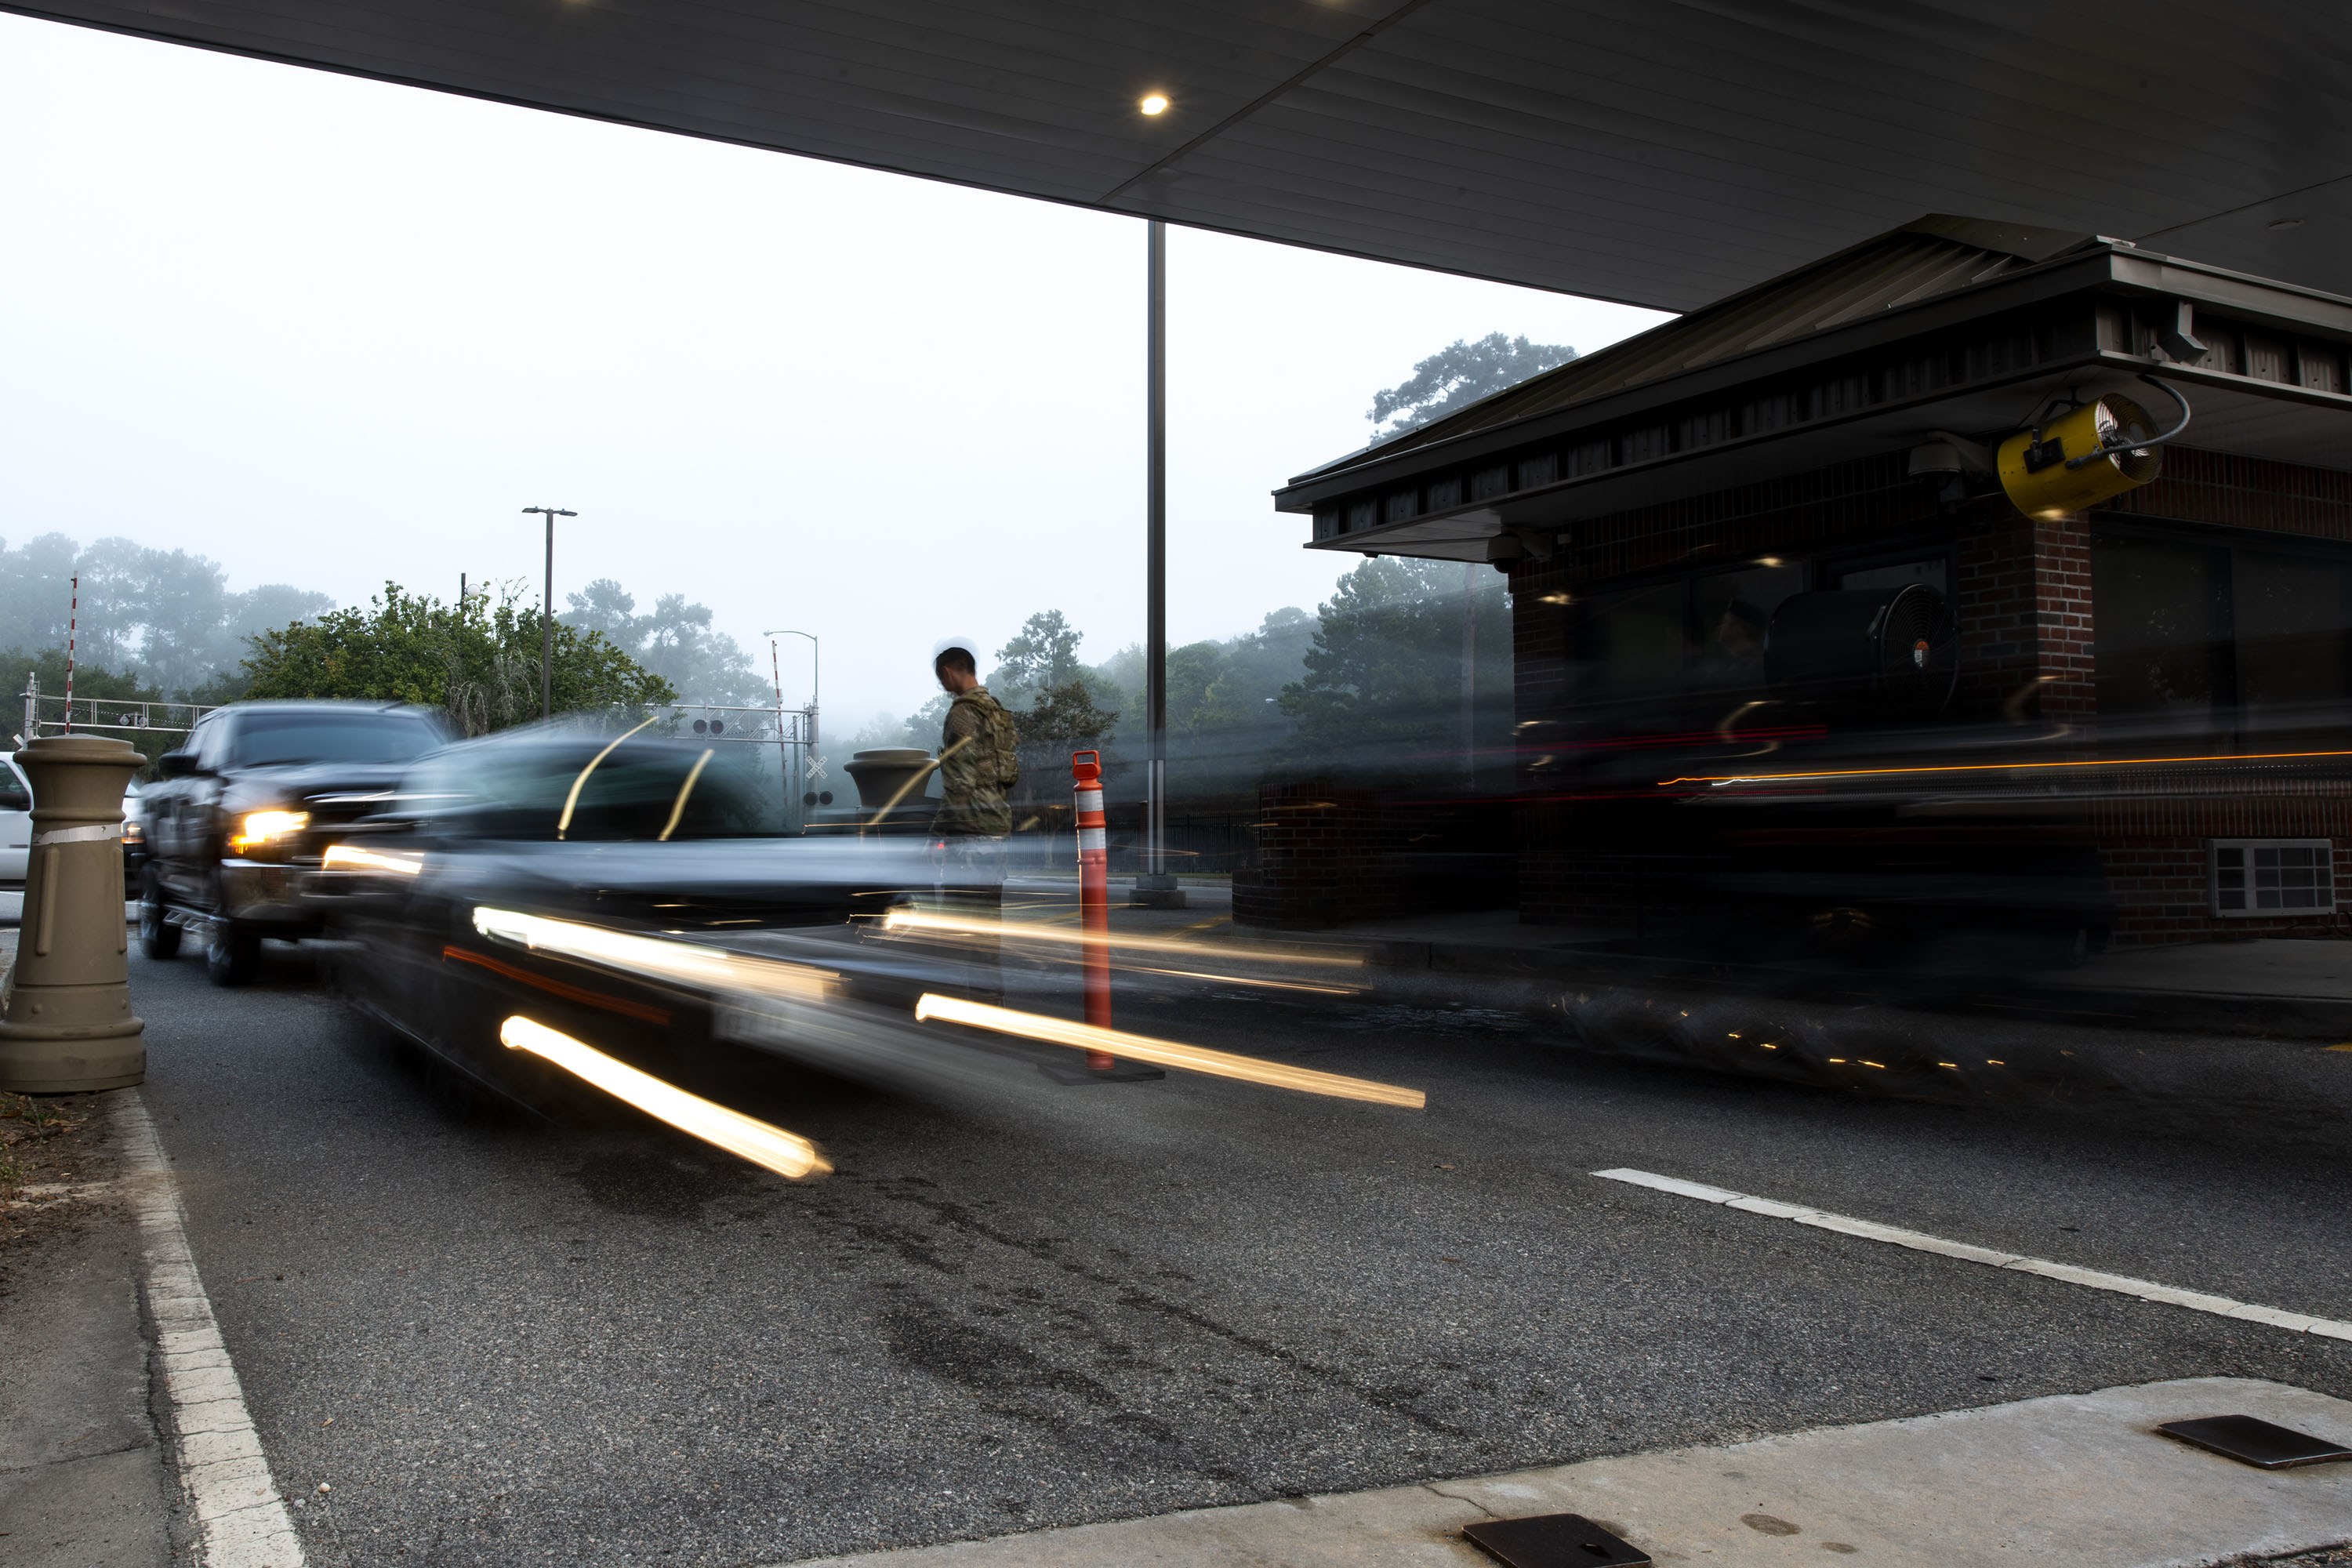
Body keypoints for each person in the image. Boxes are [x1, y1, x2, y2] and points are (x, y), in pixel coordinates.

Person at [930, 641, 1019, 999]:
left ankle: (965, 1006)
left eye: (941, 678)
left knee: (959, 925)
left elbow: (960, 784)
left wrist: (934, 835)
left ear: (949, 671)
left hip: (969, 832)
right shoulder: (997, 712)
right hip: (997, 826)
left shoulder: (961, 715)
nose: (942, 685)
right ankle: (990, 1002)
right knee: (987, 922)